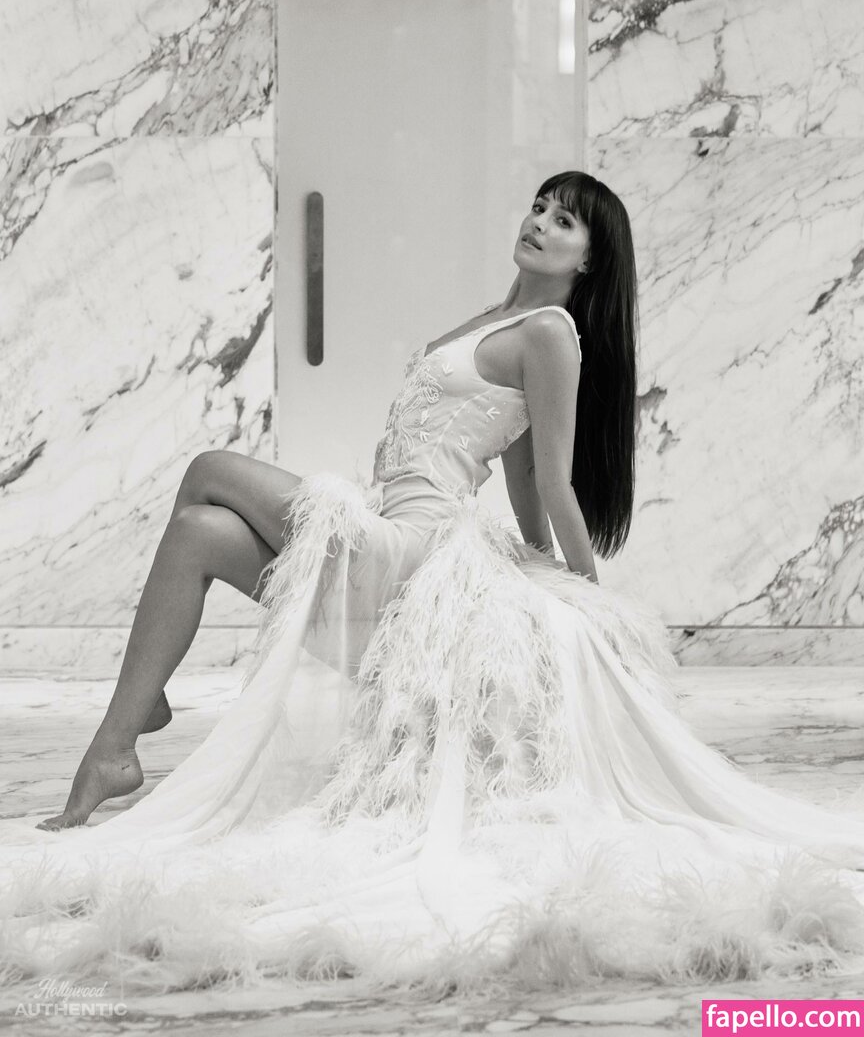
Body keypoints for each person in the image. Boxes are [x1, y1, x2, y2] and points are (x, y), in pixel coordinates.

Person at [4, 171, 864, 993]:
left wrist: (584, 592)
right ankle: (117, 747)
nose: (539, 222)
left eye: (565, 221)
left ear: (590, 260)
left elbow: (553, 483)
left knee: (206, 468)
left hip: (410, 551)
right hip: (389, 542)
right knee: (199, 532)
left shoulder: (551, 334)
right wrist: (533, 544)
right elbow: (518, 475)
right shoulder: (497, 319)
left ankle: (139, 708)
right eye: (540, 206)